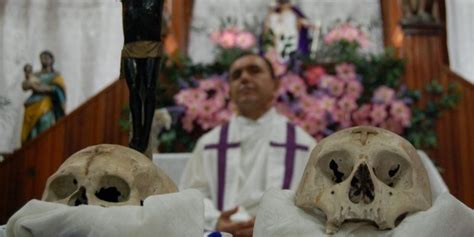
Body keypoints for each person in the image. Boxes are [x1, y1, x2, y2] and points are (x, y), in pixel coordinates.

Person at [180, 53, 316, 236]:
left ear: (275, 85)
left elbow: (316, 205)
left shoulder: (304, 146)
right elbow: (191, 198)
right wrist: (217, 221)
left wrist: (275, 227)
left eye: (254, 71)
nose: (244, 78)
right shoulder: (208, 145)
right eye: (236, 75)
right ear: (229, 90)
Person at [121, 0, 165, 153]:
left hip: (151, 47)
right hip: (130, 48)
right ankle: (137, 134)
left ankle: (145, 136)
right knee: (133, 90)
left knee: (149, 89)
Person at [21, 51, 66, 143]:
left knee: (44, 125)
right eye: (42, 58)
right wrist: (31, 84)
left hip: (45, 105)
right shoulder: (36, 75)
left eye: (46, 57)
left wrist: (41, 88)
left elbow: (58, 89)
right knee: (31, 132)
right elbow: (25, 85)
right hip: (31, 104)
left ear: (52, 60)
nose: (44, 60)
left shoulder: (56, 76)